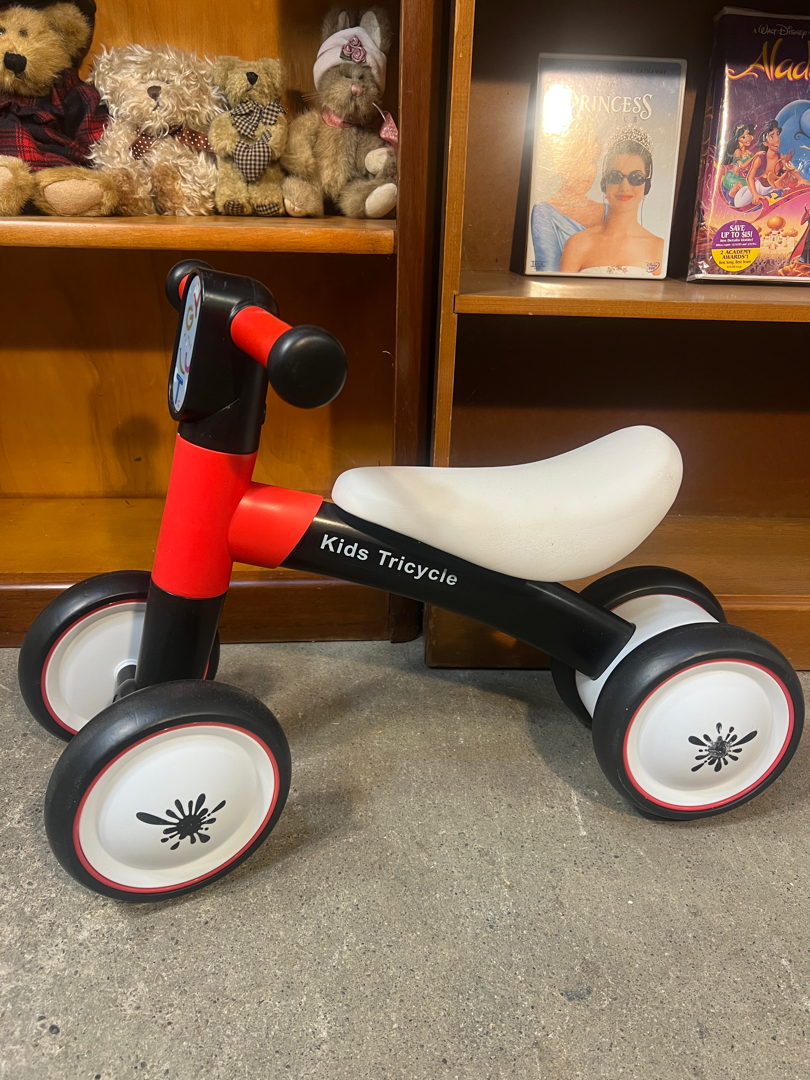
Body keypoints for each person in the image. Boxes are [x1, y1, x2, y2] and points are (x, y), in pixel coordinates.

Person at [558, 128, 663, 277]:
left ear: (647, 186)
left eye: (635, 178)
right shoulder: (577, 244)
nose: (624, 187)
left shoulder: (659, 249)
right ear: (604, 184)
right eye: (615, 176)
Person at [529, 130, 604, 272]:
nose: (586, 170)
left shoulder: (608, 211)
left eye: (592, 161)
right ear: (560, 164)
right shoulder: (544, 213)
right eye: (577, 161)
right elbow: (547, 272)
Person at [721, 122, 756, 203]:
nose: (747, 138)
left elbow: (756, 160)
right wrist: (754, 157)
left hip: (739, 176)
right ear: (738, 140)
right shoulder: (737, 152)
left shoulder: (748, 152)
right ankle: (733, 193)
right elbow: (742, 166)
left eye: (748, 134)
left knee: (753, 183)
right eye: (743, 137)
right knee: (748, 185)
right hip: (731, 178)